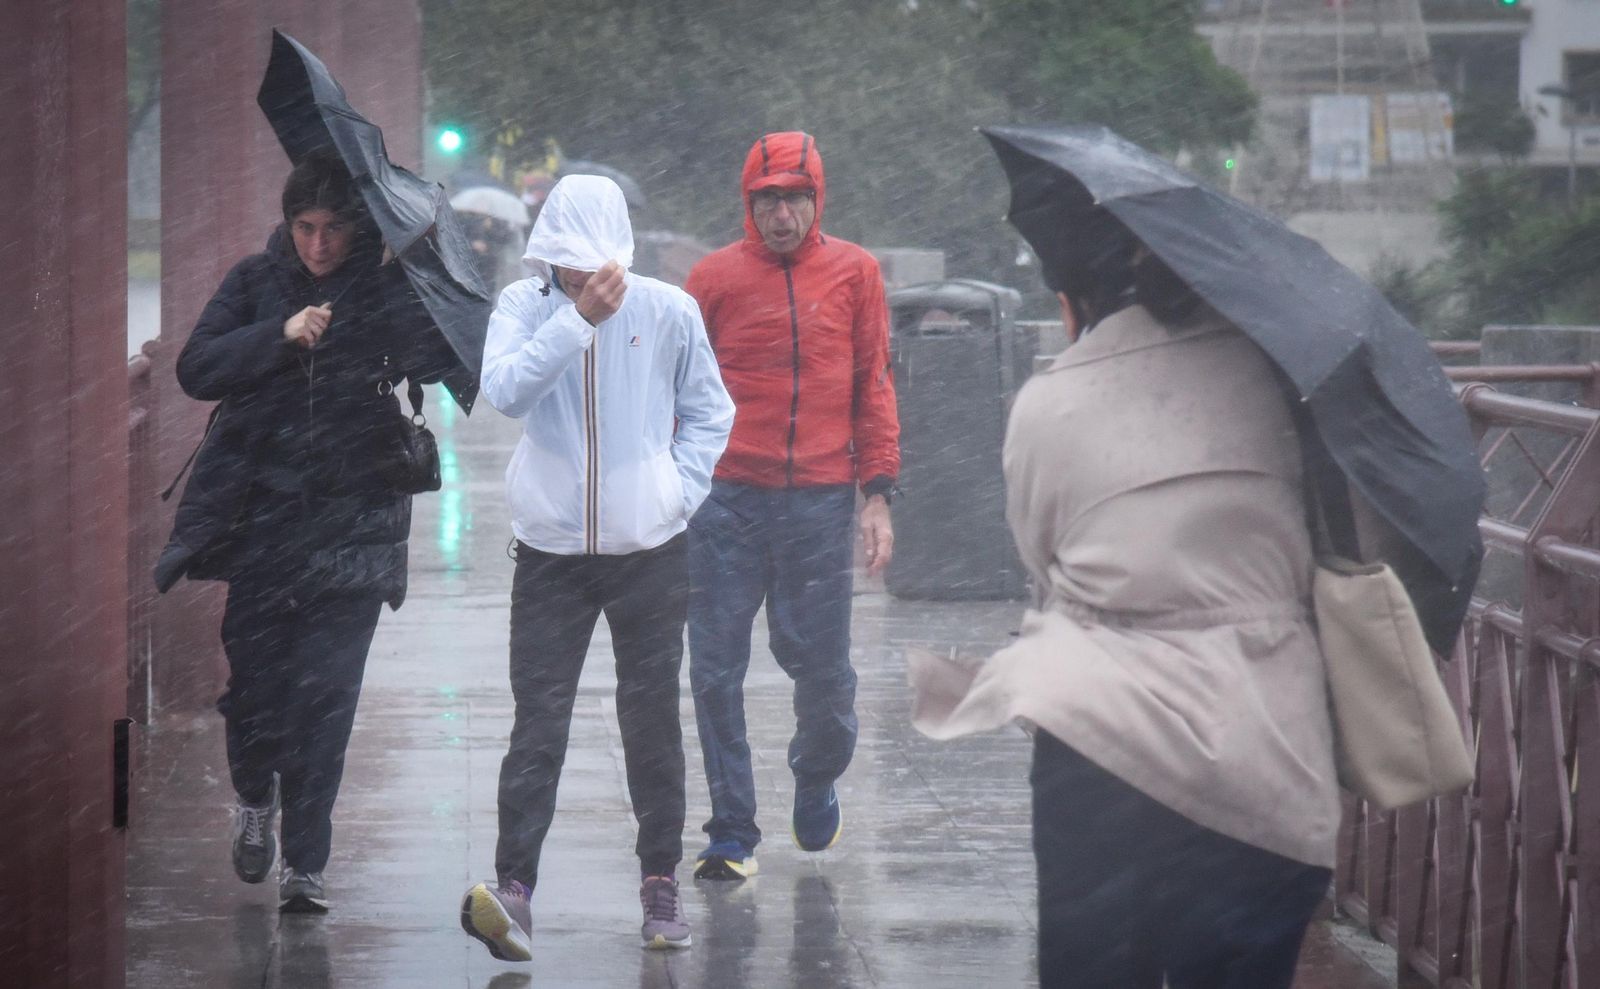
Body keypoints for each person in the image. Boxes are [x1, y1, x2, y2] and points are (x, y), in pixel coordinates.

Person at [908, 219, 1340, 988]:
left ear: (1072, 303)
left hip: (1098, 741)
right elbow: (1338, 539)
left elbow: (1041, 555)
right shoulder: (1283, 386)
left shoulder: (1052, 401)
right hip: (1265, 743)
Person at [154, 152, 458, 913]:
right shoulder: (255, 281)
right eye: (304, 227)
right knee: (255, 695)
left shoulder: (383, 290)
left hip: (355, 527)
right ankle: (255, 797)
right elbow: (196, 369)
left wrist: (417, 281)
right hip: (262, 528)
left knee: (328, 698)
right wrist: (280, 335)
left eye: (333, 229)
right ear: (287, 226)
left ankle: (307, 862)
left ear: (360, 229)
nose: (318, 244)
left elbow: (436, 361)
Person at [459, 175, 733, 958]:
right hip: (550, 553)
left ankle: (660, 882)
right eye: (569, 263)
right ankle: (515, 889)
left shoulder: (666, 309)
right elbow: (505, 392)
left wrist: (674, 492)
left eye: (595, 263)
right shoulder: (524, 307)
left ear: (620, 252)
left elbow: (710, 410)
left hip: (650, 551)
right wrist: (576, 321)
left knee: (651, 720)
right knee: (538, 721)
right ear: (547, 253)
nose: (584, 275)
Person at [683, 131, 900, 881]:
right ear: (748, 203)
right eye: (768, 199)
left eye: (796, 199)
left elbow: (873, 382)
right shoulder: (712, 279)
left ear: (818, 200)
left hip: (819, 500)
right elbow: (679, 388)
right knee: (714, 668)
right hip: (726, 500)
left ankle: (816, 774)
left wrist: (878, 493)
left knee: (822, 669)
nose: (783, 215)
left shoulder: (855, 272)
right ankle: (731, 829)